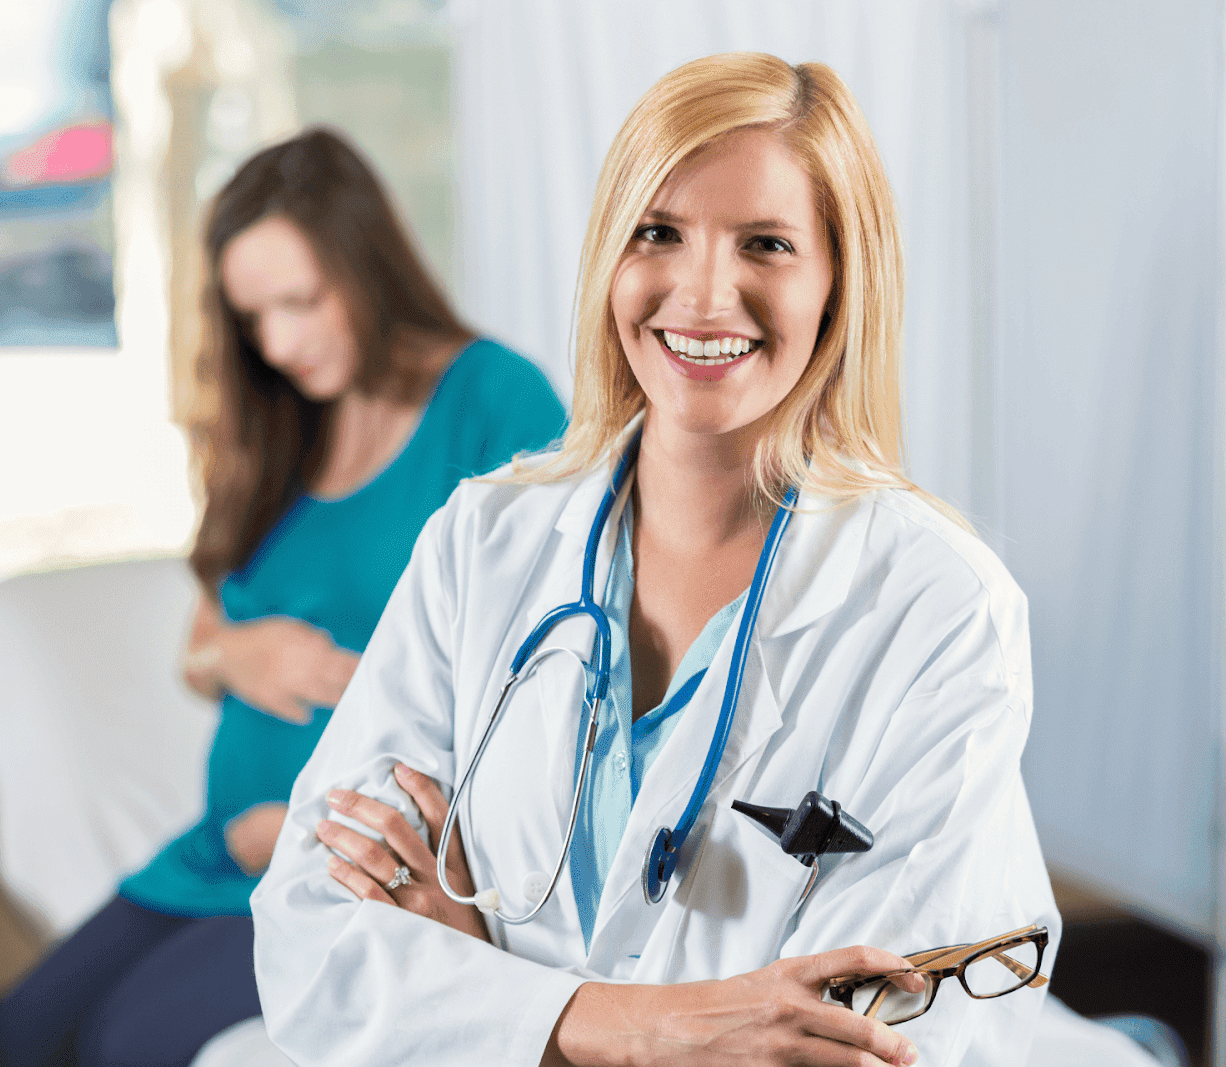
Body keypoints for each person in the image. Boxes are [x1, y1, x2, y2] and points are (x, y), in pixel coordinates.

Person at [251, 54, 1059, 1067]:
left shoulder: (939, 606)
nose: (703, 294)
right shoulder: (482, 541)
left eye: (766, 244)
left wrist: (484, 992)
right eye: (658, 232)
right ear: (608, 258)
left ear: (839, 283)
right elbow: (311, 938)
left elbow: (867, 1045)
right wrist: (651, 1027)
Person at [0, 127, 567, 1067]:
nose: (278, 343)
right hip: (222, 850)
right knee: (21, 1027)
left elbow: (547, 678)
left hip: (352, 870)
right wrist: (234, 653)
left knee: (125, 1043)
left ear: (367, 267)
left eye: (300, 303)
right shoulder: (282, 421)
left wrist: (307, 824)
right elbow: (199, 647)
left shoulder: (494, 400)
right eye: (254, 315)